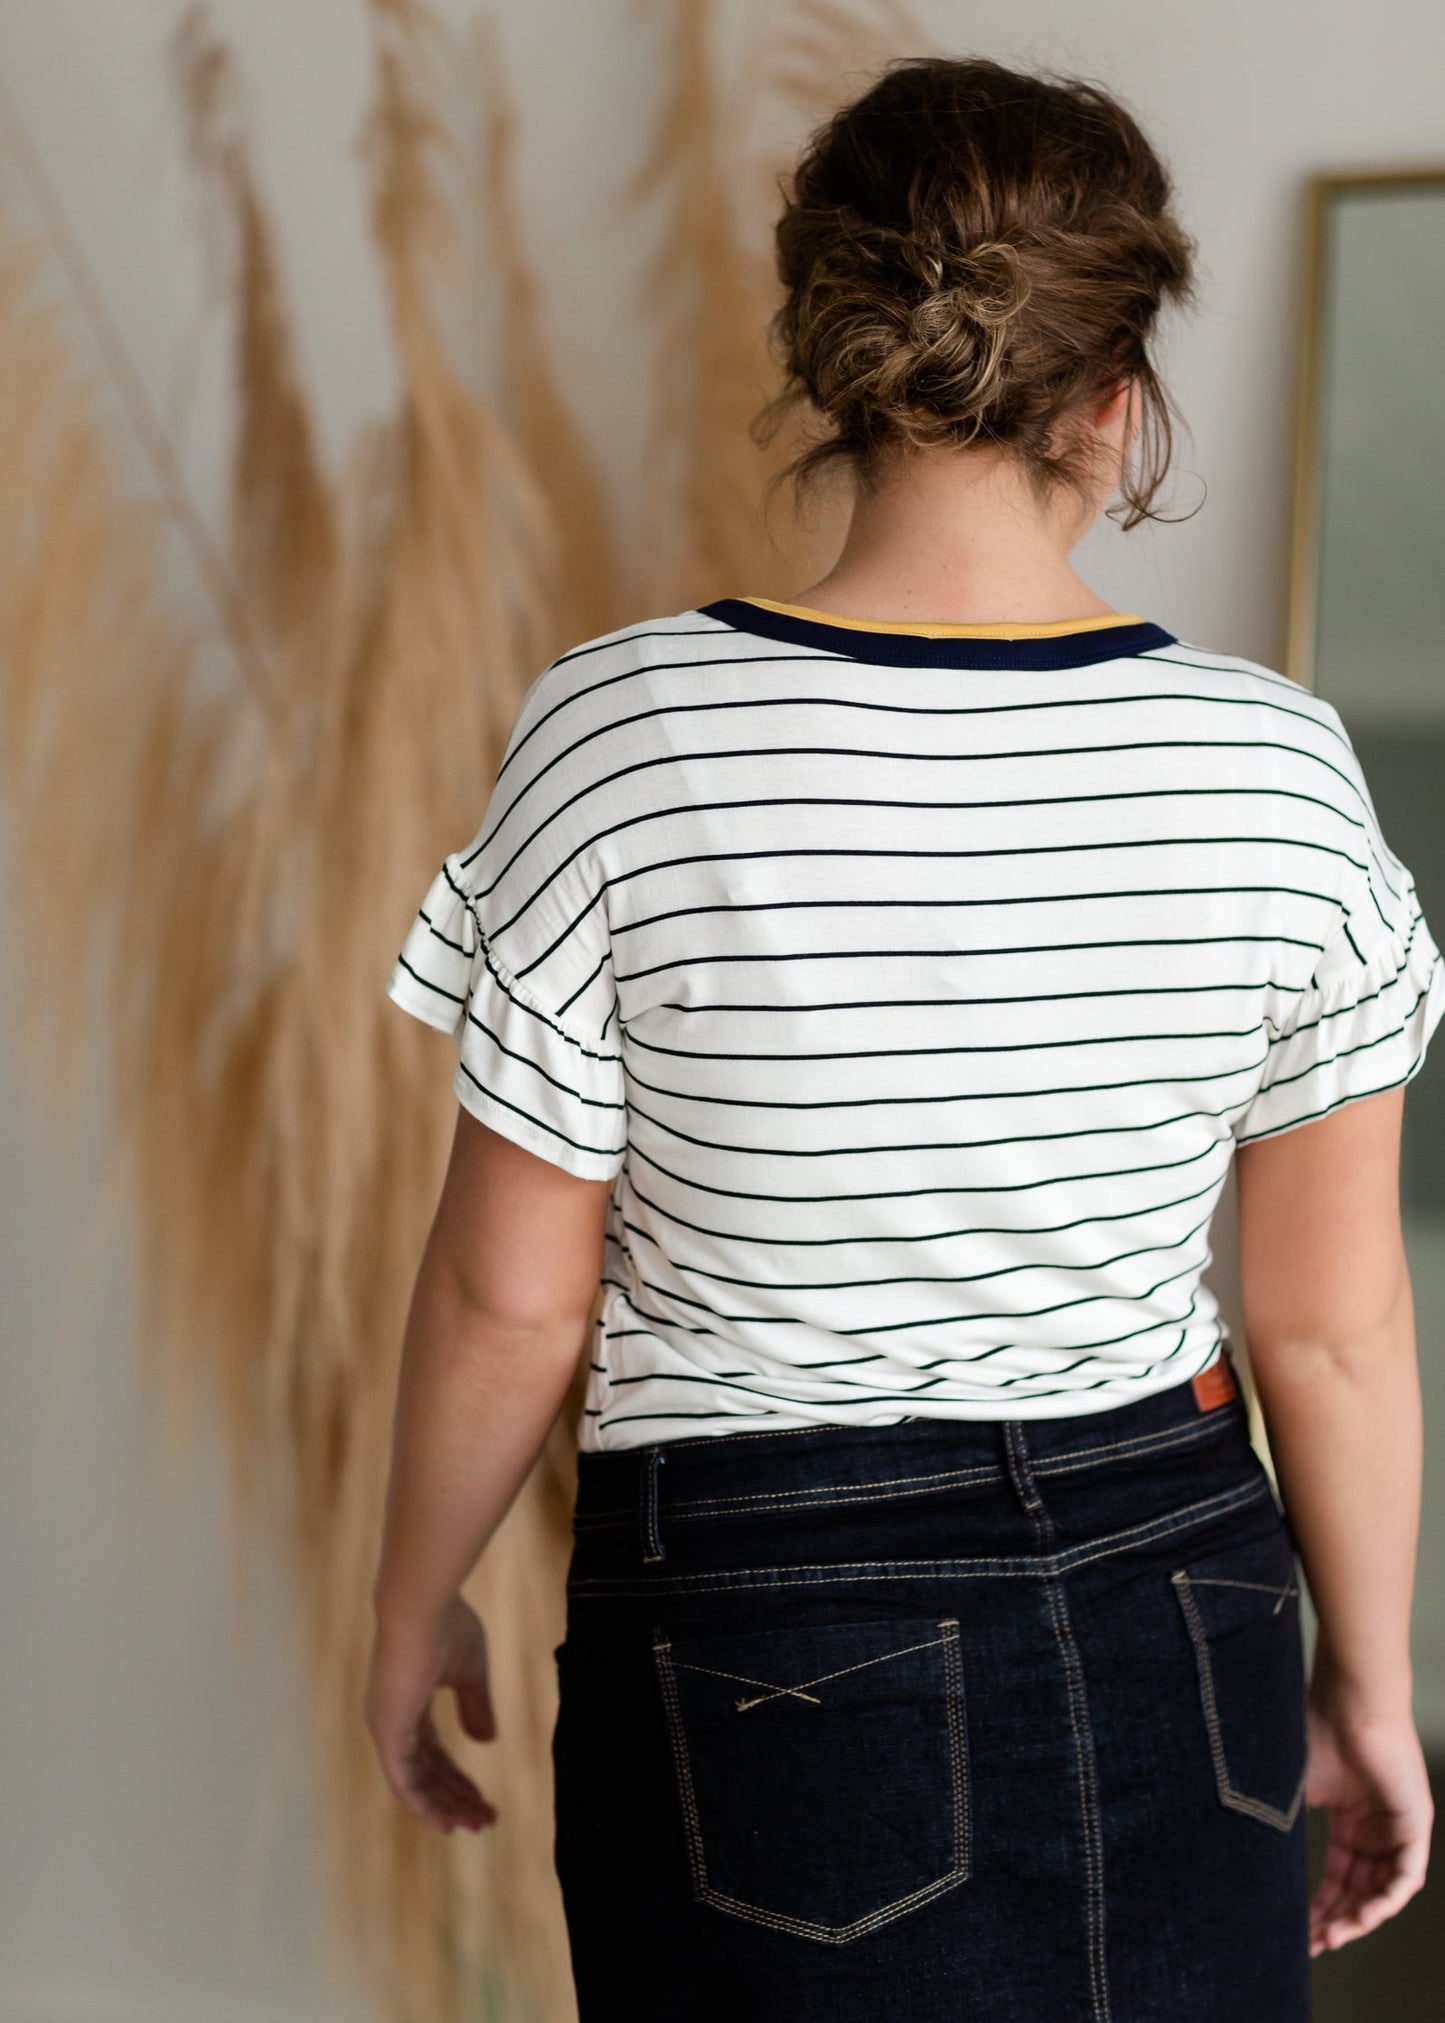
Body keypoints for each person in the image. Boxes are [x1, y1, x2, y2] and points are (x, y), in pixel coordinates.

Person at [364, 53, 1445, 2022]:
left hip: (769, 1613)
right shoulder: (1279, 766)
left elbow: (514, 1298)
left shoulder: (619, 736)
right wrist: (1367, 1681)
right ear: (1116, 407)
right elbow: (1334, 1323)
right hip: (1183, 1570)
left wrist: (409, 1594)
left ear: (830, 369)